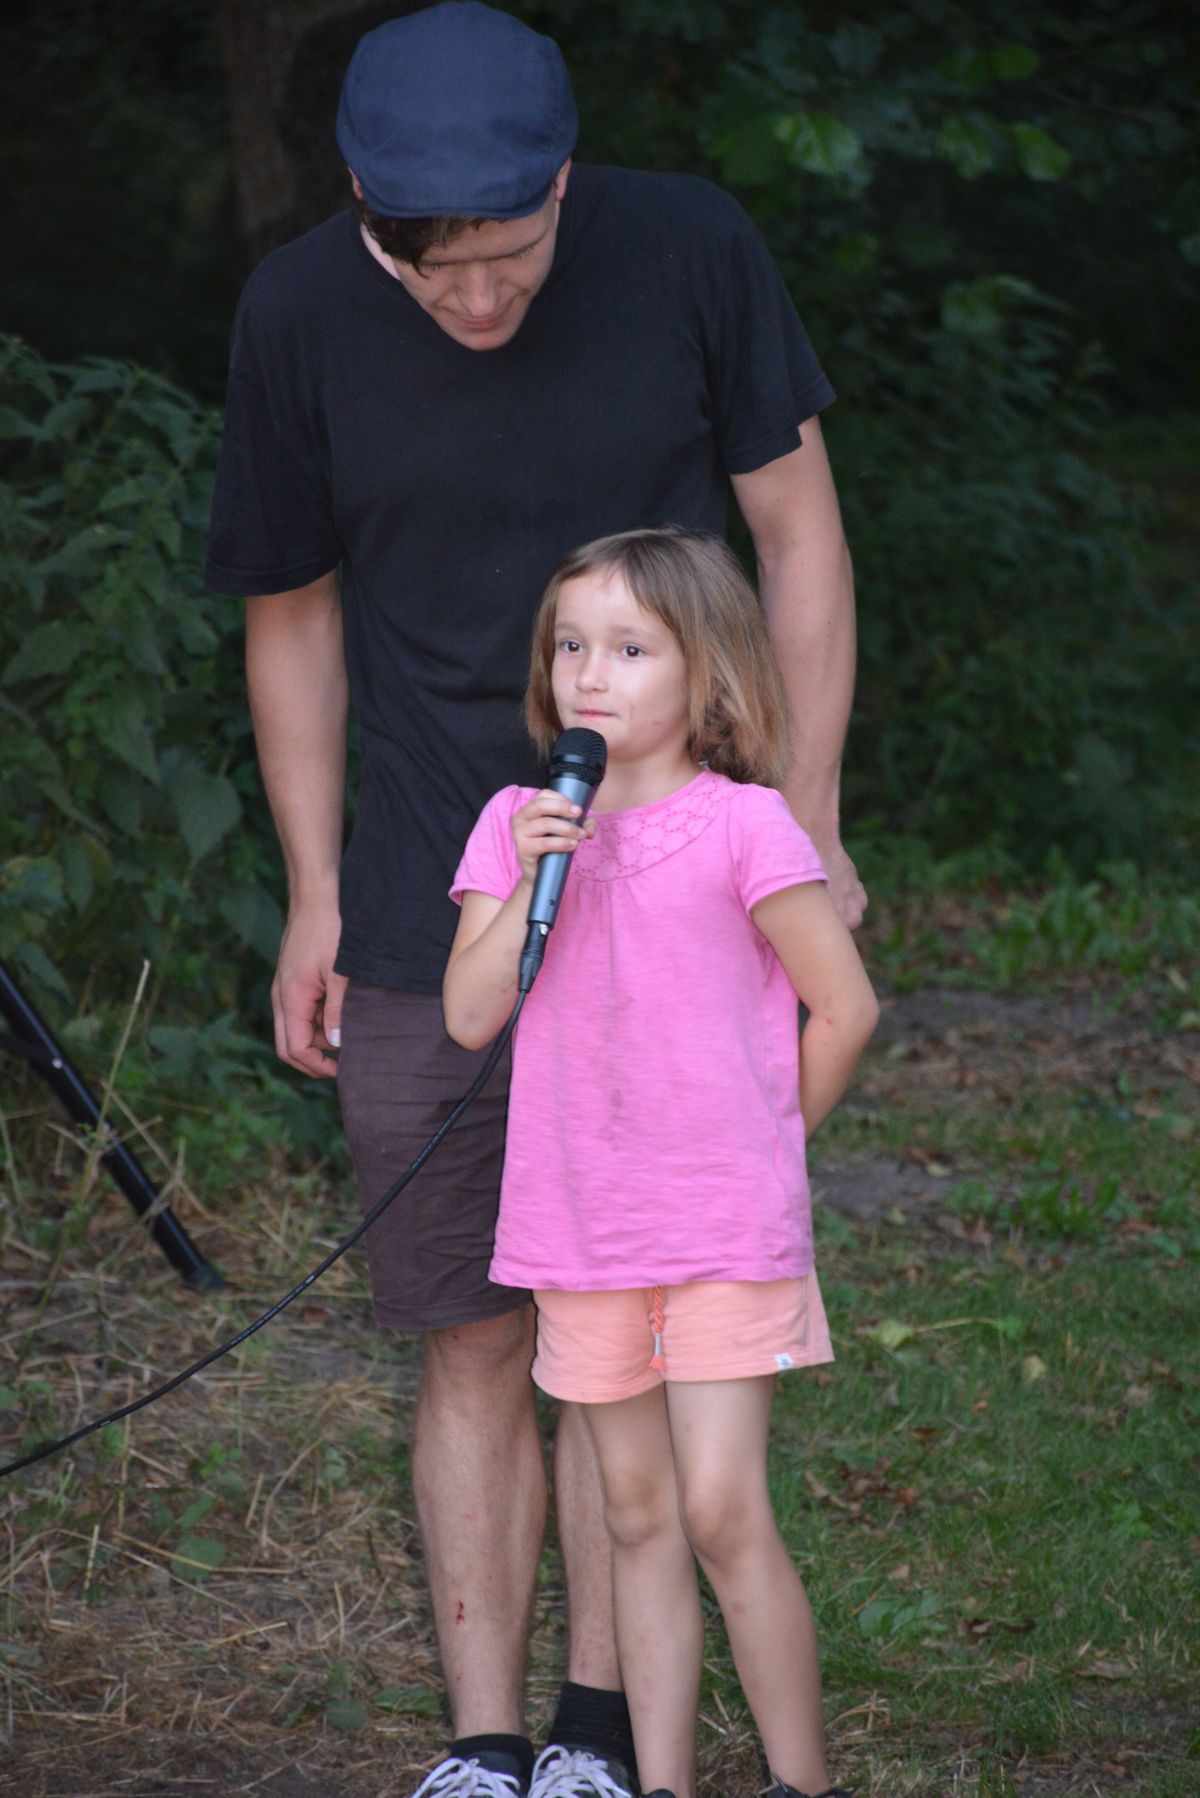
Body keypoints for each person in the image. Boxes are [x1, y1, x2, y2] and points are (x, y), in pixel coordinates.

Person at [204, 5, 863, 1793]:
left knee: (618, 1338)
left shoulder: (689, 247)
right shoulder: (296, 314)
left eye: (511, 256)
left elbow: (799, 536)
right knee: (475, 1334)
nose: (481, 300)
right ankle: (484, 1744)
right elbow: (292, 612)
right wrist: (316, 889)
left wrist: (802, 819)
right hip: (437, 894)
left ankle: (595, 1735)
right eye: (438, 273)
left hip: (674, 900)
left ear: (565, 180)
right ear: (364, 210)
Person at [444, 527, 877, 1798]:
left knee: (719, 1510)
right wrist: (536, 873)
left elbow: (844, 1007)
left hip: (723, 1230)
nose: (592, 673)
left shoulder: (744, 825)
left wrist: (760, 1151)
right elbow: (471, 1013)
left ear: (708, 670)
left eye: (631, 649)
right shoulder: (515, 825)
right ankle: (663, 1781)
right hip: (581, 1230)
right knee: (634, 1513)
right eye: (571, 645)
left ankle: (802, 1781)